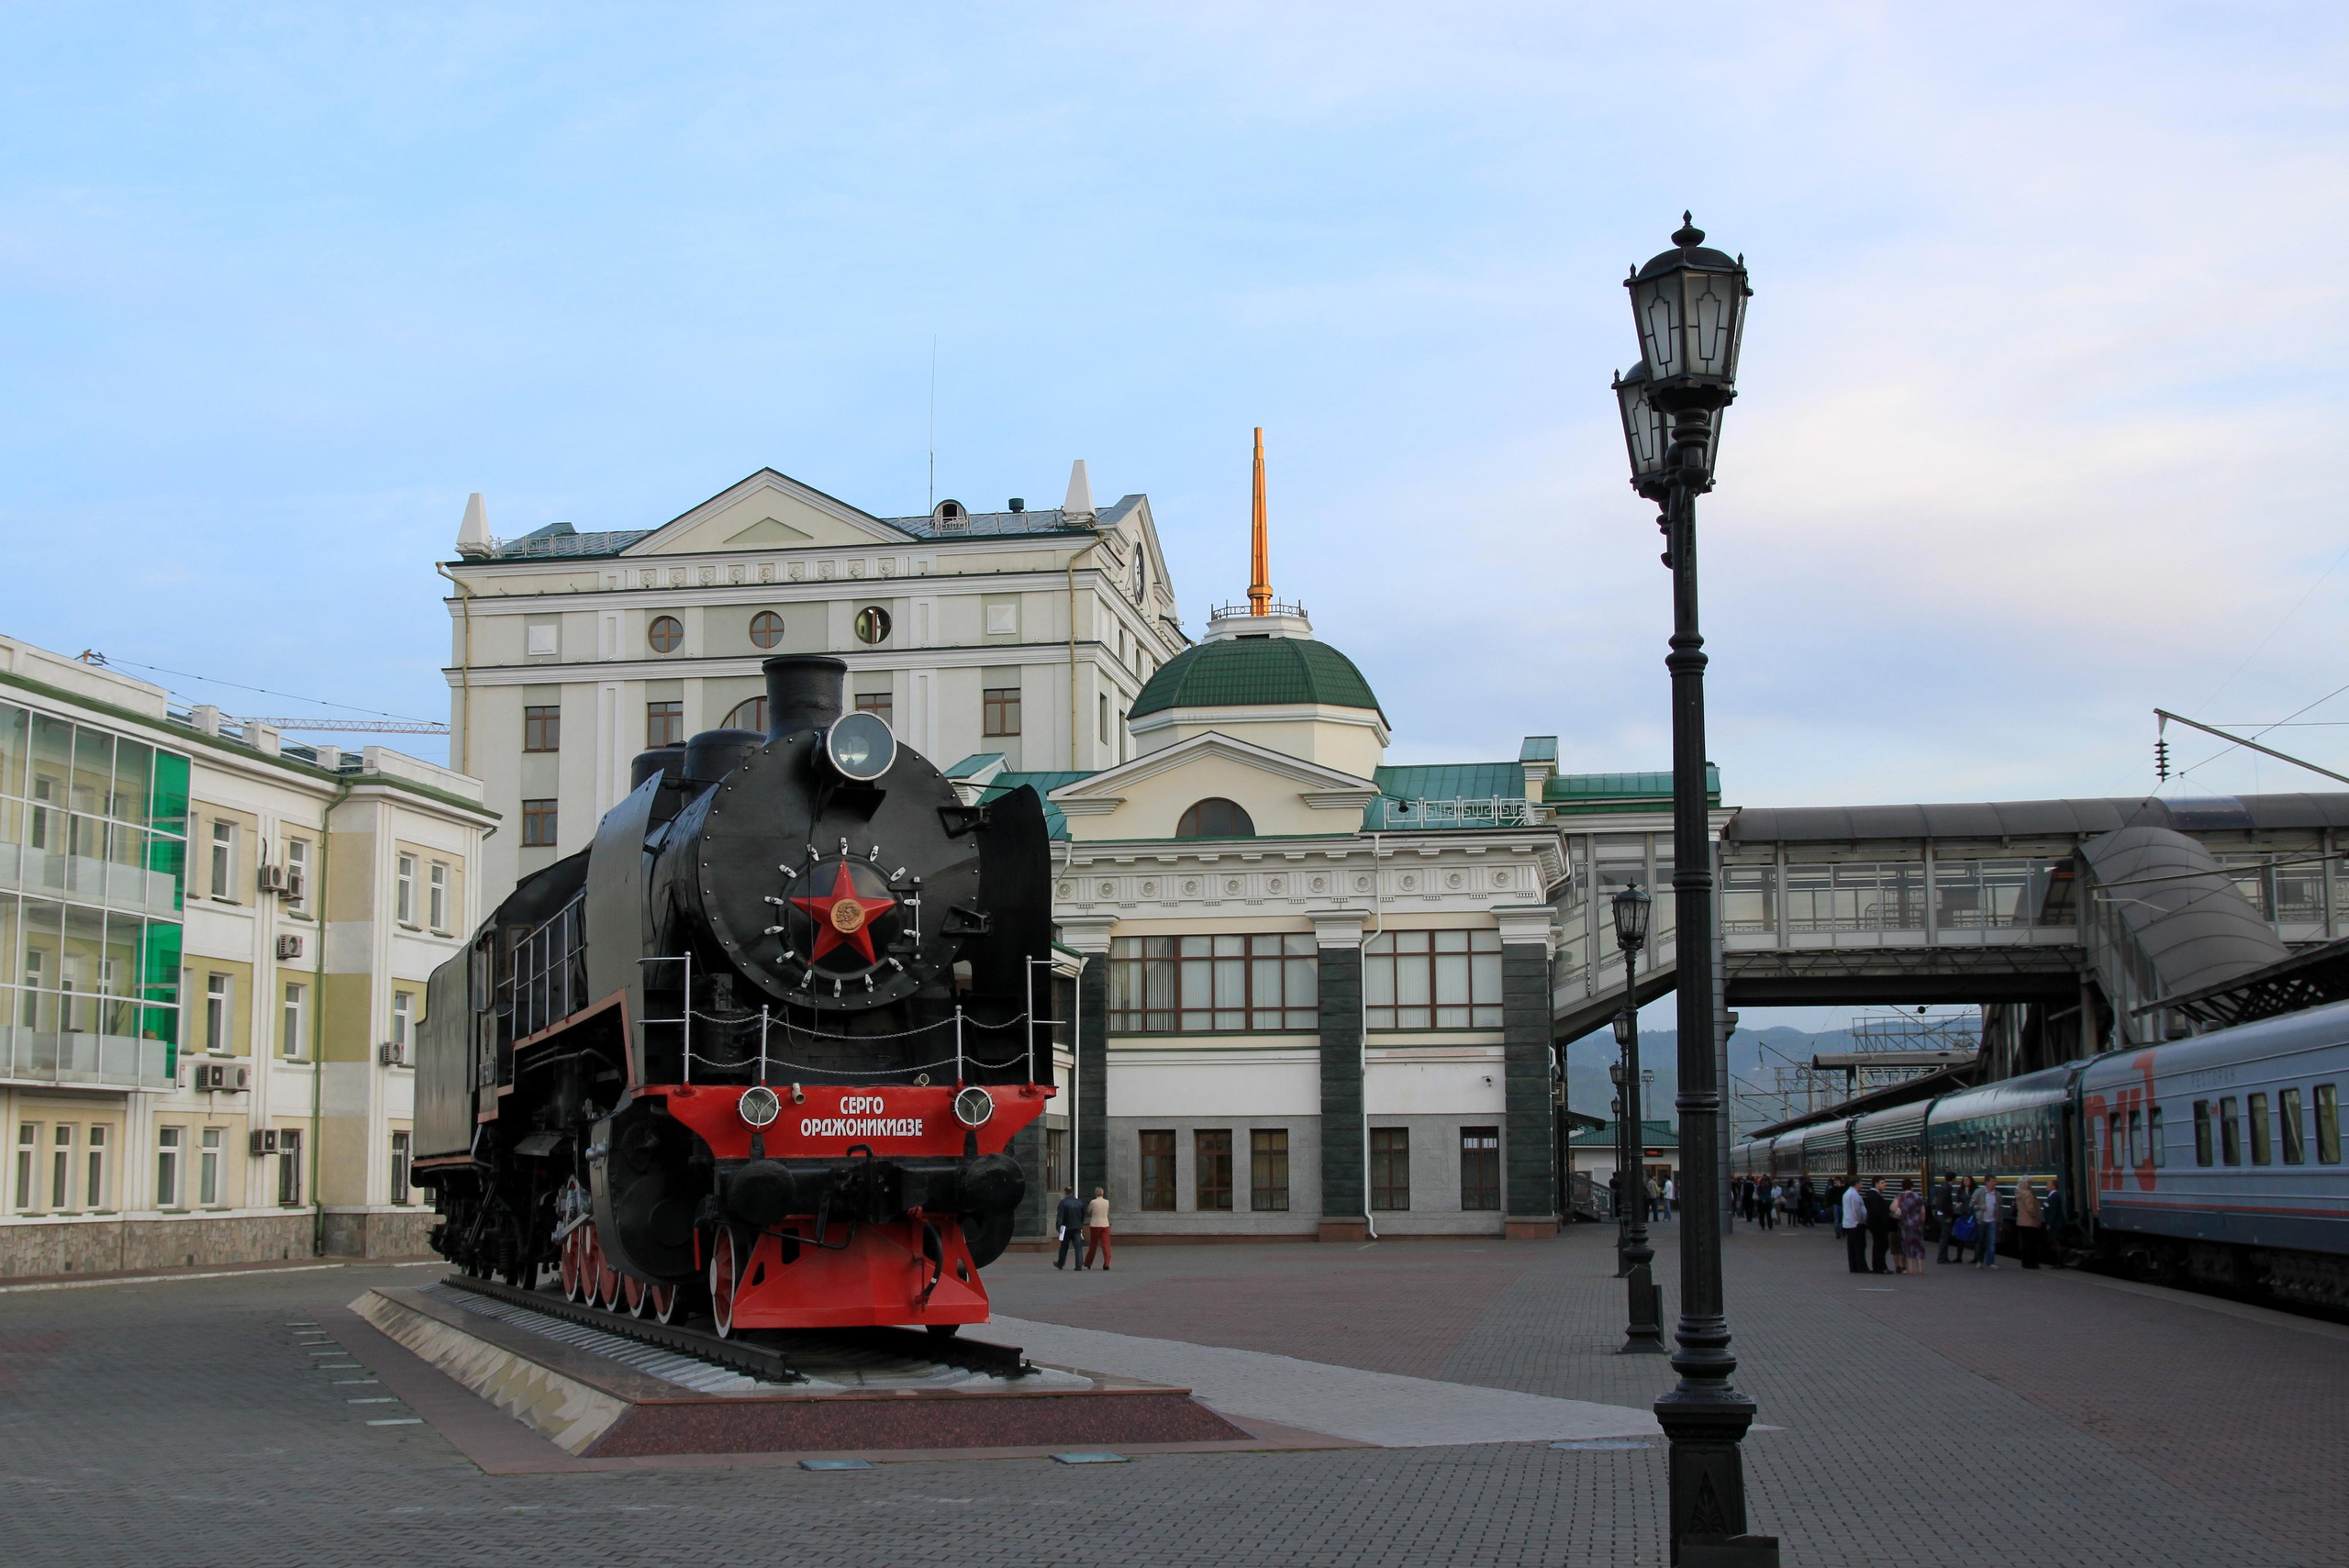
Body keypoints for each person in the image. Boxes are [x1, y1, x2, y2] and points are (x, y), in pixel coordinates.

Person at [1862, 1177, 1895, 1274]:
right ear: (1876, 1184)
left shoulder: (1873, 1195)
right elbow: (1878, 1212)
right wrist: (1887, 1218)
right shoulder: (1874, 1196)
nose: (1885, 1184)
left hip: (1875, 1224)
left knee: (1880, 1245)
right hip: (1878, 1225)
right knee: (1881, 1245)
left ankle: (1879, 1266)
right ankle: (1880, 1267)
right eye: (1882, 1183)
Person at [1896, 1177, 1926, 1274]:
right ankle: (1921, 1269)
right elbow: (1923, 1212)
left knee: (1908, 1245)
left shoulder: (1900, 1197)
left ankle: (1910, 1269)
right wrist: (1922, 1222)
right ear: (1912, 1186)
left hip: (1905, 1223)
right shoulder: (1918, 1197)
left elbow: (1893, 1208)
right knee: (1919, 1245)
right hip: (1917, 1223)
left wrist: (1897, 1215)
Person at [1052, 1186, 1086, 1270]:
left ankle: (1061, 1263)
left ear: (1065, 1193)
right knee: (1078, 1247)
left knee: (1064, 1247)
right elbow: (1083, 1215)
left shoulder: (1063, 1203)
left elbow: (1060, 1216)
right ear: (1072, 1192)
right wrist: (1080, 1224)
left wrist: (1058, 1226)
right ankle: (1079, 1265)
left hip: (1066, 1228)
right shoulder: (1080, 1202)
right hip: (1077, 1227)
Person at [2015, 1178, 2045, 1270]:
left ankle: (2025, 1263)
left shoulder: (2018, 1193)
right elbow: (2031, 1208)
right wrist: (2037, 1218)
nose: (2031, 1185)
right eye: (2030, 1183)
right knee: (2032, 1244)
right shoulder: (2028, 1194)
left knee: (2025, 1244)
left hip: (2021, 1221)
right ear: (2027, 1184)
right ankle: (2032, 1264)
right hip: (2030, 1222)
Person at [1841, 1177, 1869, 1273]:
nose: (1862, 1185)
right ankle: (1861, 1267)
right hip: (1856, 1224)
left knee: (1851, 1247)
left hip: (1848, 1223)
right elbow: (1857, 1210)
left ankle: (1853, 1267)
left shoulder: (1847, 1193)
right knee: (1859, 1247)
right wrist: (1861, 1220)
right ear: (1856, 1184)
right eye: (1861, 1183)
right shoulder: (1854, 1195)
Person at [1971, 1174, 1999, 1269]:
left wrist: (2000, 1221)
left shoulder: (1997, 1194)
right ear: (1987, 1182)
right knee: (1980, 1241)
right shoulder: (1979, 1192)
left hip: (1992, 1221)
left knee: (1991, 1242)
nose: (1995, 1183)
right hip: (1981, 1220)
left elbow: (2000, 1209)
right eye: (1993, 1181)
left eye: (1995, 1181)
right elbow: (1971, 1205)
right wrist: (1980, 1207)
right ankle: (1979, 1261)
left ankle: (1990, 1262)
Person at [1082, 1185, 1113, 1271]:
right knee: (1106, 1245)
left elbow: (1089, 1211)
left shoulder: (1093, 1202)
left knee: (1093, 1245)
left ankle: (1088, 1263)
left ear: (1095, 1193)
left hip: (1095, 1225)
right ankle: (1107, 1263)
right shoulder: (1107, 1202)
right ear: (1102, 1193)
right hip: (1105, 1224)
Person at [1933, 1172, 1961, 1265]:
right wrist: (1947, 1216)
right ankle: (1942, 1258)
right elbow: (1942, 1204)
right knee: (1944, 1237)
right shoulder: (1946, 1189)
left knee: (1945, 1236)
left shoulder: (1943, 1187)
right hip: (1944, 1216)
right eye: (1955, 1178)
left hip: (1941, 1214)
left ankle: (1944, 1257)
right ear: (1953, 1179)